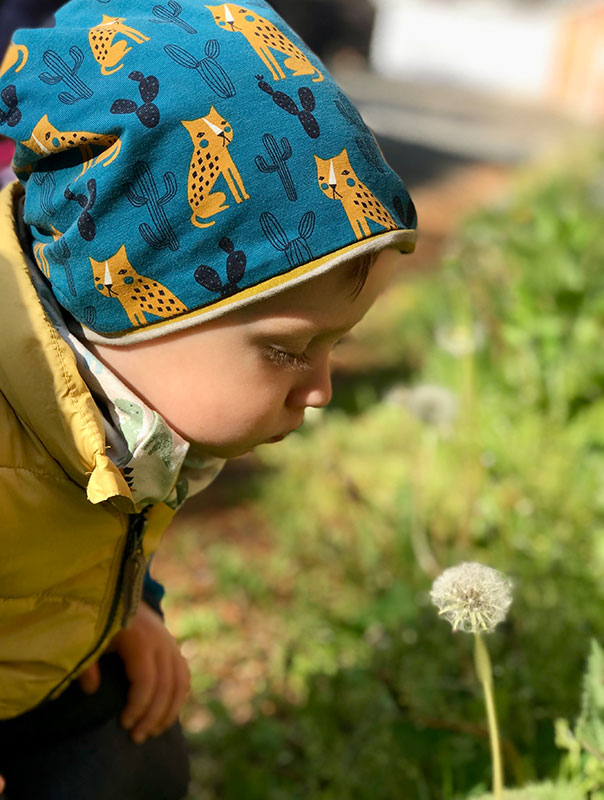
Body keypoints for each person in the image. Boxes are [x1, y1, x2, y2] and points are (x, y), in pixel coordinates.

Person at [0, 0, 417, 796]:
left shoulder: (133, 400)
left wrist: (133, 610)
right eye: (285, 352)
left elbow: (108, 524)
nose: (321, 390)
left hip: (35, 670)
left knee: (137, 746)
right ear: (129, 300)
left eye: (336, 347)